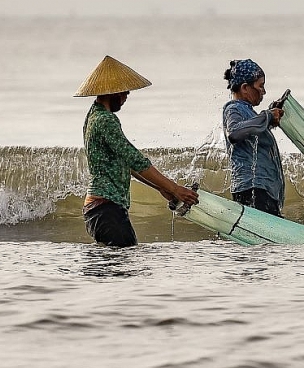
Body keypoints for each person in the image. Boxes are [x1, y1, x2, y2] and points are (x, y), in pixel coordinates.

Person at [75, 55, 198, 247]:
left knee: (113, 270)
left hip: (99, 209)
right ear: (113, 92)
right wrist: (175, 189)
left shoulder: (92, 115)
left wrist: (161, 188)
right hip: (106, 209)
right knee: (123, 266)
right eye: (124, 93)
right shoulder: (106, 121)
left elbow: (125, 163)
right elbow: (137, 160)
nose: (125, 98)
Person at [222, 59, 285, 217]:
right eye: (260, 86)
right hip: (253, 189)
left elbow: (251, 133)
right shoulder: (233, 108)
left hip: (261, 190)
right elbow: (234, 133)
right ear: (245, 88)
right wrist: (267, 116)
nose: (263, 92)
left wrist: (269, 118)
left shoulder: (248, 112)